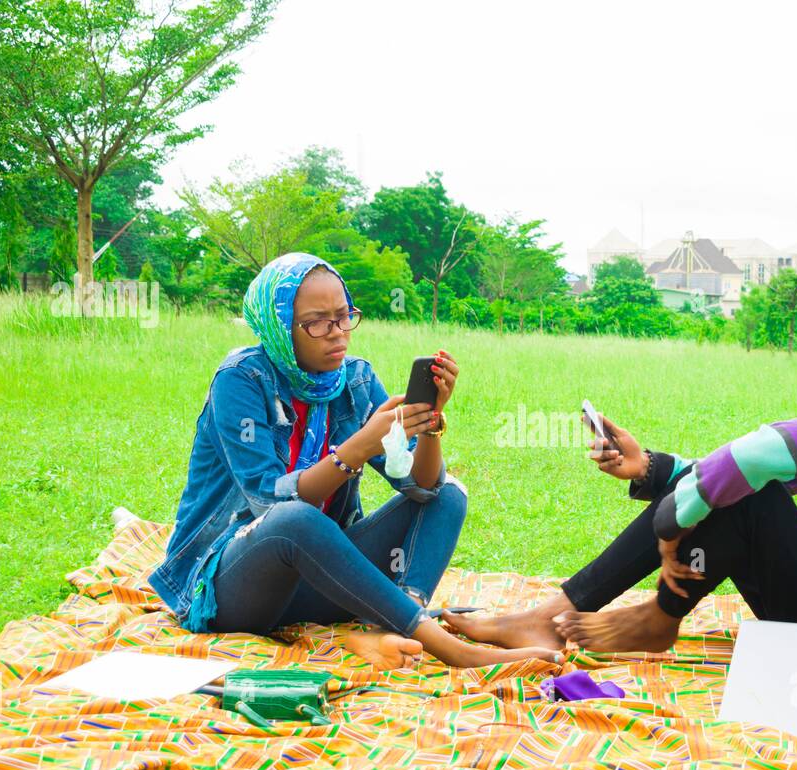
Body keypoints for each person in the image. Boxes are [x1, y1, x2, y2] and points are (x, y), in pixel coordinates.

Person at [445, 289, 797, 653]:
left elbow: (761, 454)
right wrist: (652, 468)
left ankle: (653, 618)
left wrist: (673, 518)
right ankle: (572, 617)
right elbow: (755, 472)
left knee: (739, 490)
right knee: (737, 489)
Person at [149, 252, 560, 669]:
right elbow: (266, 501)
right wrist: (358, 448)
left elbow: (419, 486)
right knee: (294, 519)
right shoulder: (241, 380)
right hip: (235, 589)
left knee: (447, 493)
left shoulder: (356, 381)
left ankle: (398, 624)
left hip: (322, 580)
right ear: (278, 326)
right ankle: (451, 648)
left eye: (345, 316)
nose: (338, 334)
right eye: (317, 322)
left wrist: (430, 425)